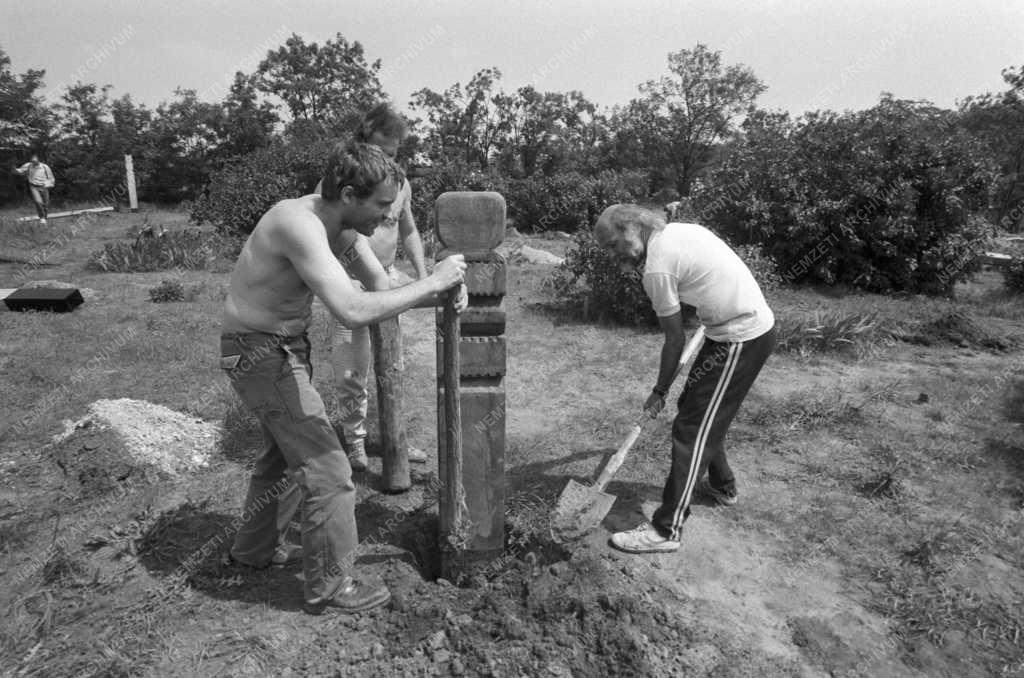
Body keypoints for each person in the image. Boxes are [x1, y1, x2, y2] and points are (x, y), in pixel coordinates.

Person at [219, 140, 467, 614]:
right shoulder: (299, 224)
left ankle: (254, 551)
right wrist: (433, 281)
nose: (387, 216)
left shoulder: (344, 229)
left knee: (281, 458)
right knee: (330, 470)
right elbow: (352, 310)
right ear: (350, 194)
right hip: (258, 353)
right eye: (380, 206)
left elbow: (383, 286)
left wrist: (444, 293)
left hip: (282, 347)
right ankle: (331, 587)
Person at [592, 204, 777, 554]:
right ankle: (723, 487)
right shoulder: (676, 232)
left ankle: (666, 530)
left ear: (633, 227)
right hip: (726, 329)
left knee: (692, 428)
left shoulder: (657, 270)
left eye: (614, 245)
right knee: (698, 411)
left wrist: (658, 390)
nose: (615, 256)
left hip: (741, 336)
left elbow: (674, 339)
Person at [322, 104, 431, 471]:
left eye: (393, 155)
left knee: (393, 364)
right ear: (362, 143)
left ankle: (393, 438)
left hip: (386, 277)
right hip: (349, 281)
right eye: (380, 152)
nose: (387, 161)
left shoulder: (401, 185)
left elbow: (409, 230)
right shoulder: (340, 184)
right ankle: (354, 442)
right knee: (353, 368)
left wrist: (422, 273)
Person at [13, 154, 55, 224]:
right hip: (33, 186)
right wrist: (14, 169)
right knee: (38, 201)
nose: (33, 163)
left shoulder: (45, 167)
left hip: (44, 186)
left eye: (35, 161)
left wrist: (49, 184)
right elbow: (20, 171)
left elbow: (51, 178)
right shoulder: (29, 165)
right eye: (32, 161)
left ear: (38, 160)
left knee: (46, 205)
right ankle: (42, 218)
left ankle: (44, 219)